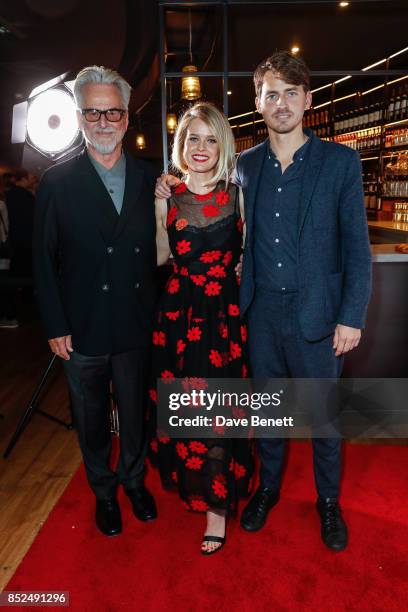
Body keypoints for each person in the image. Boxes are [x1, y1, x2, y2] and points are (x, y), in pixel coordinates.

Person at [155, 51, 372, 552]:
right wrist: (165, 184)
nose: (281, 103)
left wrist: (351, 316)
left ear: (307, 100)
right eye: (271, 94)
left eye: (291, 93)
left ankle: (329, 503)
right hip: (258, 315)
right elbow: (204, 201)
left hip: (318, 316)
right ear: (258, 101)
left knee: (322, 418)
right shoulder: (245, 168)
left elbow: (357, 249)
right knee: (268, 417)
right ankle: (267, 489)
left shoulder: (340, 163)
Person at [33, 66, 158, 537]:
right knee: (90, 423)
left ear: (127, 118)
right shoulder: (56, 182)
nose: (103, 121)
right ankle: (104, 494)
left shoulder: (152, 180)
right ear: (80, 117)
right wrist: (54, 324)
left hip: (134, 321)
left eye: (113, 111)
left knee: (135, 414)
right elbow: (43, 260)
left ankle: (134, 481)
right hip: (80, 325)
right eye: (93, 112)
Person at [150, 101, 253, 555]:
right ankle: (194, 486)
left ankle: (216, 511)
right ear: (181, 144)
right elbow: (159, 258)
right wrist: (157, 206)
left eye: (211, 139)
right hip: (177, 319)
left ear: (223, 146)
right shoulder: (167, 197)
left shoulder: (237, 193)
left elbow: (248, 256)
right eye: (193, 138)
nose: (201, 147)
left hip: (224, 321)